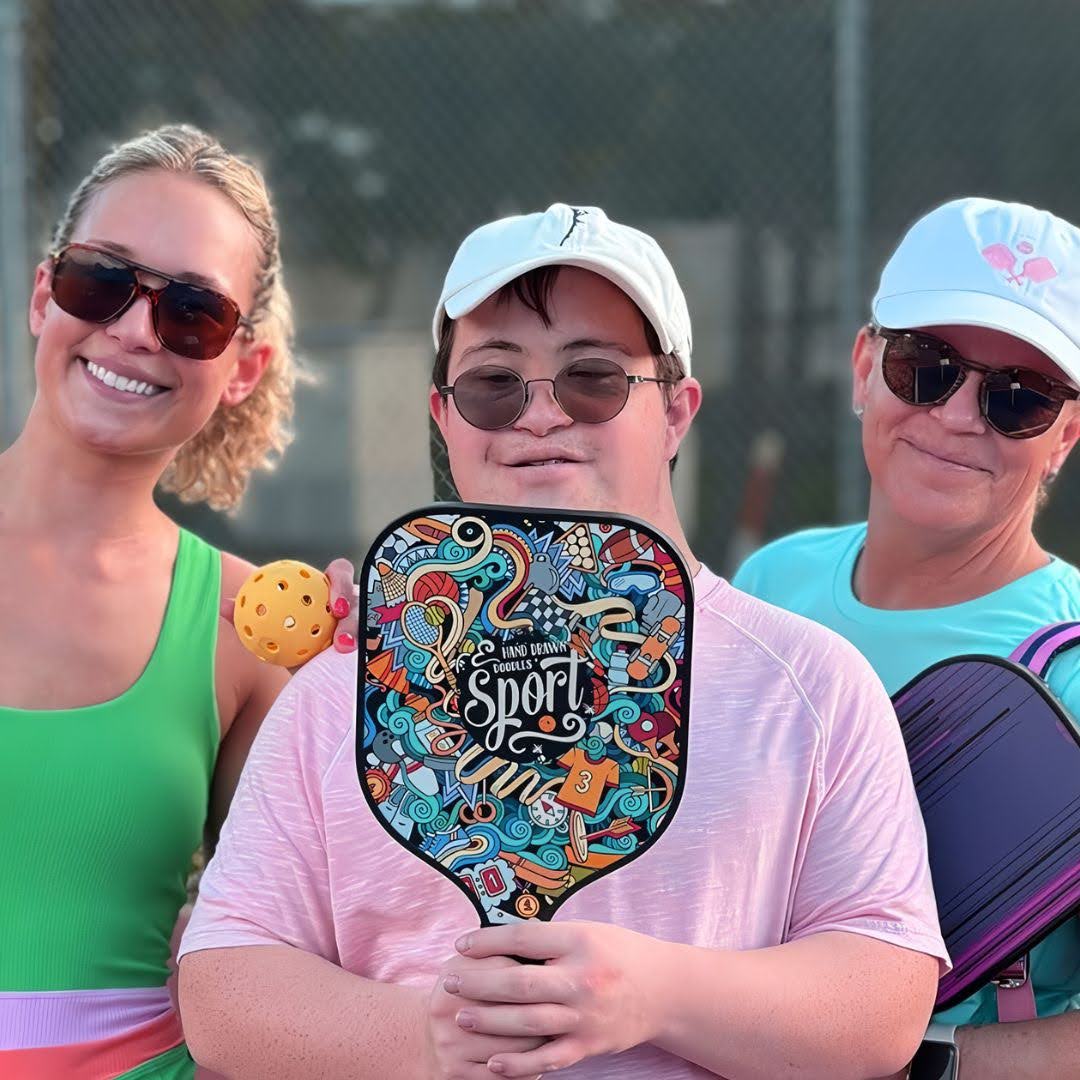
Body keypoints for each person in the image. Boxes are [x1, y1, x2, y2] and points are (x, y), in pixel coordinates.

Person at [177, 203, 948, 1080]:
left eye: (593, 379)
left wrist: (655, 994)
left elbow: (885, 999)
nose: (540, 415)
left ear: (677, 412)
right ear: (444, 416)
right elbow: (223, 987)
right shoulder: (350, 683)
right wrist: (424, 1034)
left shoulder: (808, 684)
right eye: (493, 385)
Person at [732, 197, 1080, 1077]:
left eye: (1018, 399)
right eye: (925, 367)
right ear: (863, 369)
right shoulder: (776, 582)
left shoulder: (1070, 663)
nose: (959, 415)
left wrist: (919, 1059)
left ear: (1065, 437)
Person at [0, 124, 316, 1079]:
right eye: (103, 280)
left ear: (242, 370)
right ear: (44, 295)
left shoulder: (246, 631)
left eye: (193, 312)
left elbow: (303, 940)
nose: (136, 331)